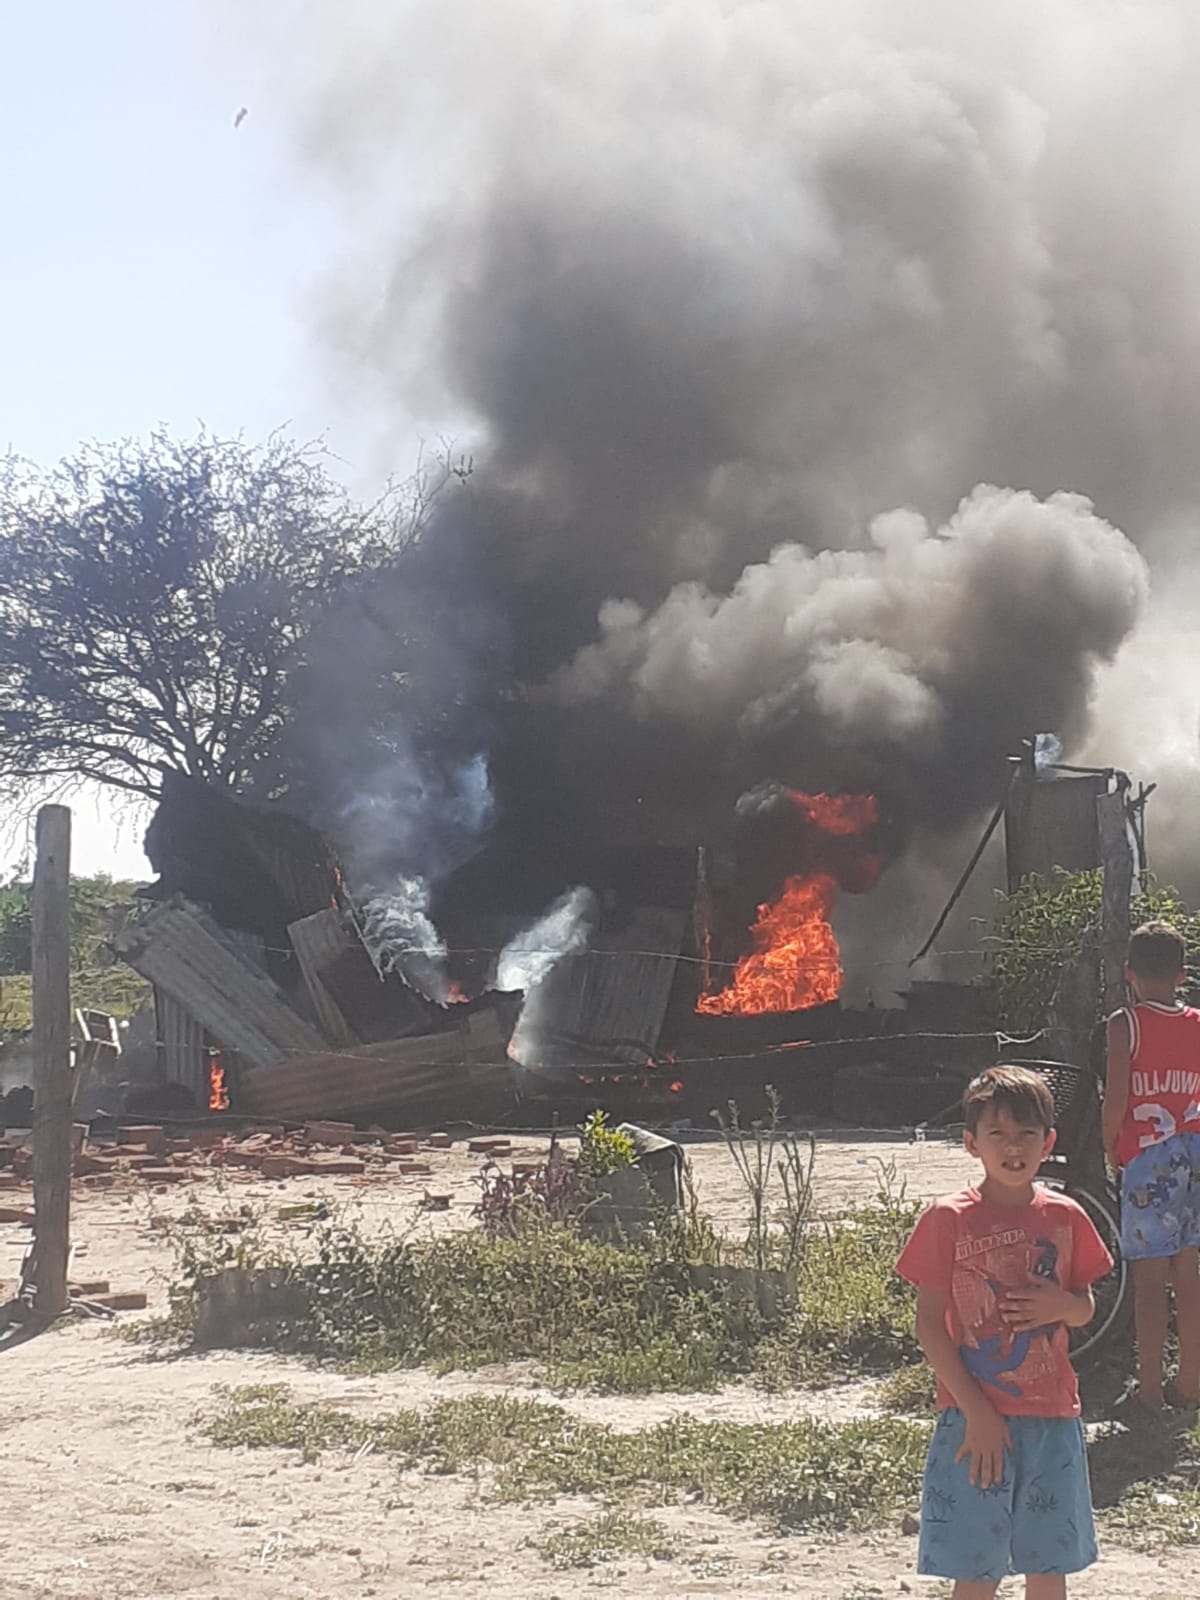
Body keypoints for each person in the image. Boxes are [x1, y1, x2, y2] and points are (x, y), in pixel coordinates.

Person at [896, 1065, 1112, 1599]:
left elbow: (1087, 1308)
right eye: (998, 1134)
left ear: (1049, 1142)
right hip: (972, 1422)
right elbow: (929, 1326)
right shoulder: (947, 1219)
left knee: (1048, 1564)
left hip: (1052, 1419)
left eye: (1027, 1135)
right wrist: (978, 1413)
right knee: (976, 1568)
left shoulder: (1066, 1216)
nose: (1013, 1147)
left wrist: (1063, 1304)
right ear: (971, 1143)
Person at [1103, 919, 1200, 1417]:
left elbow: (1116, 1096)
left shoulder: (1126, 1024)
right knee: (1188, 1273)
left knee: (1147, 1283)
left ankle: (1148, 1391)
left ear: (1129, 974)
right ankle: (1190, 1381)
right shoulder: (1198, 1023)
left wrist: (1108, 1147)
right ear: (1182, 975)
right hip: (1193, 1155)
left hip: (1147, 1159)